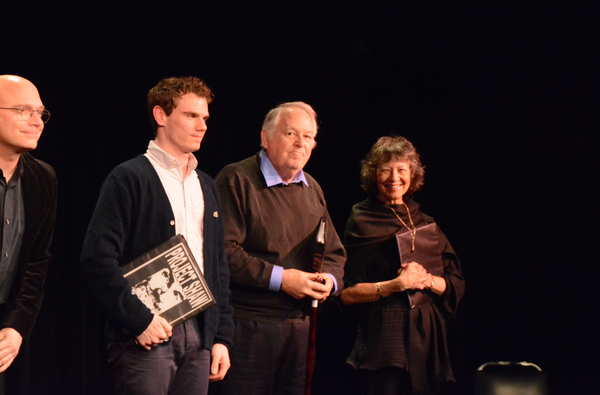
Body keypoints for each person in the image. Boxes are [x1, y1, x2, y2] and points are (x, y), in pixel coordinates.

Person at [80, 76, 234, 395]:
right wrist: (138, 320)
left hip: (200, 337)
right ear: (161, 116)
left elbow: (218, 267)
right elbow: (97, 259)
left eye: (205, 118)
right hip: (147, 337)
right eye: (191, 115)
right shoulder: (129, 177)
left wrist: (221, 337)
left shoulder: (206, 185)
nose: (202, 125)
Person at [213, 101, 346, 395]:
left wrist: (329, 280)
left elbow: (334, 253)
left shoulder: (312, 189)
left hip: (299, 329)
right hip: (248, 326)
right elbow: (223, 252)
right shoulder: (236, 179)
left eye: (309, 137)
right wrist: (282, 279)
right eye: (291, 134)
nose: (301, 144)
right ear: (265, 138)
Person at [341, 136, 465, 395]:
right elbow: (346, 293)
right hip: (385, 334)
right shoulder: (362, 220)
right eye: (385, 170)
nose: (393, 177)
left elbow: (456, 283)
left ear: (412, 174)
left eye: (401, 169)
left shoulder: (425, 222)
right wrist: (396, 285)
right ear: (374, 175)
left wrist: (426, 281)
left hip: (428, 336)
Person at [0, 75, 57, 393]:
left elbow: (37, 262)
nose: (36, 121)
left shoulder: (42, 178)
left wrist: (17, 327)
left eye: (41, 113)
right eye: (24, 110)